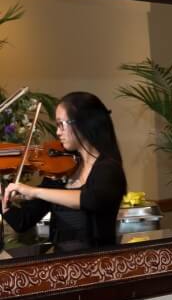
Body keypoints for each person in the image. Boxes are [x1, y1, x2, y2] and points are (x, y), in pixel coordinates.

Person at [2, 92, 127, 253]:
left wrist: (35, 191)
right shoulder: (62, 170)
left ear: (83, 124)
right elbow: (22, 221)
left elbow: (91, 199)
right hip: (61, 267)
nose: (57, 133)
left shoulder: (109, 168)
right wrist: (3, 201)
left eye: (61, 124)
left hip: (98, 266)